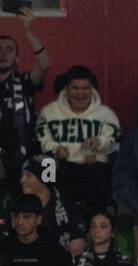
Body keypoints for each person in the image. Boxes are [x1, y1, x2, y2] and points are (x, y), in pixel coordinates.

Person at [34, 65, 120, 214]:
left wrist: (99, 143)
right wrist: (54, 149)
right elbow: (41, 138)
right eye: (75, 88)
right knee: (47, 165)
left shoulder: (105, 114)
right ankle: (51, 219)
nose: (81, 93)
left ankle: (96, 221)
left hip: (93, 167)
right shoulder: (49, 112)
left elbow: (114, 139)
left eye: (85, 88)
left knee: (101, 173)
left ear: (92, 89)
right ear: (66, 89)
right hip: (60, 165)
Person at [0, 7, 51, 194]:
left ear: (17, 57)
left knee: (49, 166)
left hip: (26, 154)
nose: (3, 53)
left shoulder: (24, 82)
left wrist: (28, 31)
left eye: (9, 50)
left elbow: (44, 64)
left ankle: (49, 213)